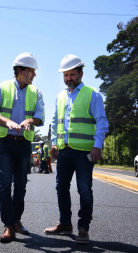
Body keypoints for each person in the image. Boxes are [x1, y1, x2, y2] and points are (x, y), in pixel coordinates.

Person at [44, 55, 109, 244]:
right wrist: (54, 143)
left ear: (81, 73)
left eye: (72, 74)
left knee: (84, 190)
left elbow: (102, 122)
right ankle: (65, 223)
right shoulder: (60, 97)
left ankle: (83, 228)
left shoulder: (92, 94)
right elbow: (56, 123)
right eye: (65, 75)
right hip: (64, 151)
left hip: (84, 152)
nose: (68, 78)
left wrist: (97, 145)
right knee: (61, 187)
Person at [0, 52, 45, 242]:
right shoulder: (2, 88)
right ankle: (8, 226)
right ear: (20, 71)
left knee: (20, 185)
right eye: (31, 71)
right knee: (5, 184)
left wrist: (29, 120)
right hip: (4, 142)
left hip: (23, 144)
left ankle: (16, 221)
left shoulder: (35, 92)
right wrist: (7, 122)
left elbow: (40, 115)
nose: (34, 75)